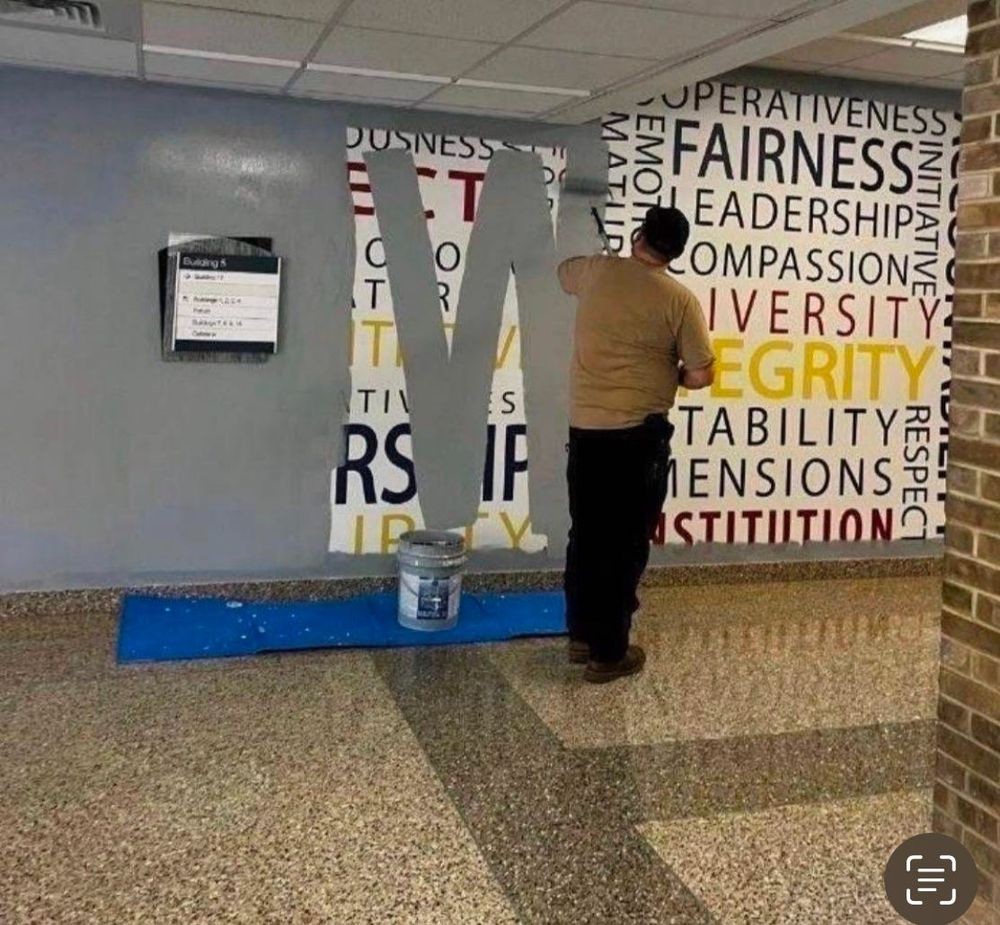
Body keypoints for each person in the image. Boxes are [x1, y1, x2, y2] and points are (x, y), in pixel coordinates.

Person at [557, 206, 715, 684]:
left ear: (639, 235)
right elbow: (702, 373)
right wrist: (674, 373)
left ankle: (581, 637)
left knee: (585, 535)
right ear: (677, 252)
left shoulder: (594, 273)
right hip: (638, 441)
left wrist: (605, 267)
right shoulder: (679, 299)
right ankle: (609, 654)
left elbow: (564, 273)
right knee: (623, 544)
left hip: (586, 434)